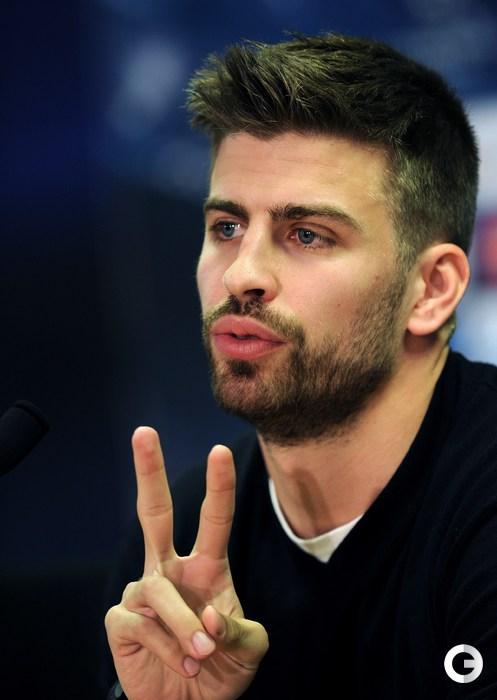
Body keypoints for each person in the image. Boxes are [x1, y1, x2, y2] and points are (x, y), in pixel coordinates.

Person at [104, 33, 497, 699]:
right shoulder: (188, 537)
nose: (242, 275)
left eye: (306, 235)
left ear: (430, 290)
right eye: (226, 228)